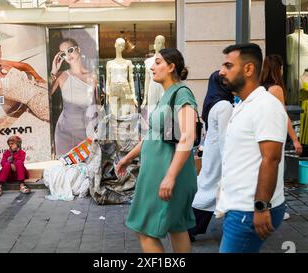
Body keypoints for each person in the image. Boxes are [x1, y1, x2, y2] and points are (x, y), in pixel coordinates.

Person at [115, 48, 198, 253]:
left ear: (171, 67)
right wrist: (127, 158)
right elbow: (153, 135)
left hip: (167, 173)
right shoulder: (166, 95)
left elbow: (188, 136)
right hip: (162, 172)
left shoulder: (182, 93)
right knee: (177, 227)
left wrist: (170, 176)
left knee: (144, 229)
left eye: (158, 62)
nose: (152, 67)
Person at [217, 43, 288, 253]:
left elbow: (271, 159)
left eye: (228, 65)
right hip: (239, 207)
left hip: (249, 210)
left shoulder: (265, 105)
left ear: (248, 69)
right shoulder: (245, 103)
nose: (221, 71)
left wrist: (261, 207)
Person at [0, 31, 49, 150]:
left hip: (43, 90)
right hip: (41, 104)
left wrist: (40, 79)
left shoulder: (2, 63)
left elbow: (24, 66)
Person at [188, 70, 233, 241]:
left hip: (211, 152)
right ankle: (190, 227)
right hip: (219, 155)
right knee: (210, 188)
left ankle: (191, 226)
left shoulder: (213, 103)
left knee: (207, 185)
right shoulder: (224, 106)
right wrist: (229, 161)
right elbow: (225, 136)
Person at [50, 38, 98, 155]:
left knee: (87, 168)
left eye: (70, 50)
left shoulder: (93, 76)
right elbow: (44, 95)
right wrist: (53, 71)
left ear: (79, 49)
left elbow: (96, 105)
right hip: (65, 132)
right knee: (67, 170)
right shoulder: (62, 76)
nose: (68, 55)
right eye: (63, 54)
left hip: (86, 132)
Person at [260, 54, 303, 155]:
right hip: (273, 133)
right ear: (279, 69)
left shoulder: (260, 87)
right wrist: (295, 140)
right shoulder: (276, 89)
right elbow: (283, 115)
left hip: (261, 132)